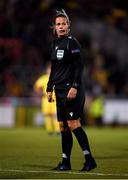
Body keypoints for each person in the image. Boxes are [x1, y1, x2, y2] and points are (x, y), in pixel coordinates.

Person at [46, 9, 97, 171]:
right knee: (62, 126)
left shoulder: (72, 42)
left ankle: (89, 160)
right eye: (58, 24)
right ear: (54, 26)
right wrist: (49, 88)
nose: (61, 26)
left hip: (71, 90)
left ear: (69, 25)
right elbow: (54, 68)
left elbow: (79, 66)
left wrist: (74, 86)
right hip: (59, 90)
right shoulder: (54, 43)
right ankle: (65, 162)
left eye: (64, 24)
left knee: (73, 124)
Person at [34, 63, 59, 134]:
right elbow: (36, 87)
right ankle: (49, 130)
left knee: (55, 114)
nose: (50, 70)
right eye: (49, 69)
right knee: (47, 114)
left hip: (55, 99)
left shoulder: (57, 78)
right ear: (47, 70)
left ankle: (57, 130)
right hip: (46, 99)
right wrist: (41, 93)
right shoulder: (43, 78)